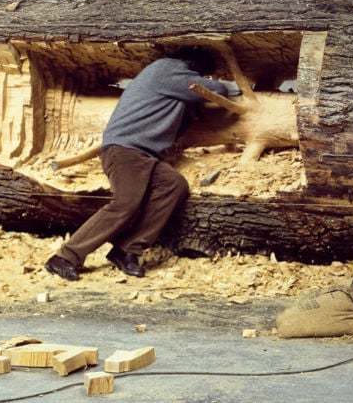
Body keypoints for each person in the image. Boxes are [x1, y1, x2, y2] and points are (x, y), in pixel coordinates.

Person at [44, 46, 229, 281]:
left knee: (173, 185)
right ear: (195, 67)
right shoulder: (166, 69)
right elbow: (216, 89)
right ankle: (65, 256)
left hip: (143, 155)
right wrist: (218, 84)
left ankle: (126, 250)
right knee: (125, 203)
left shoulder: (169, 79)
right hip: (124, 150)